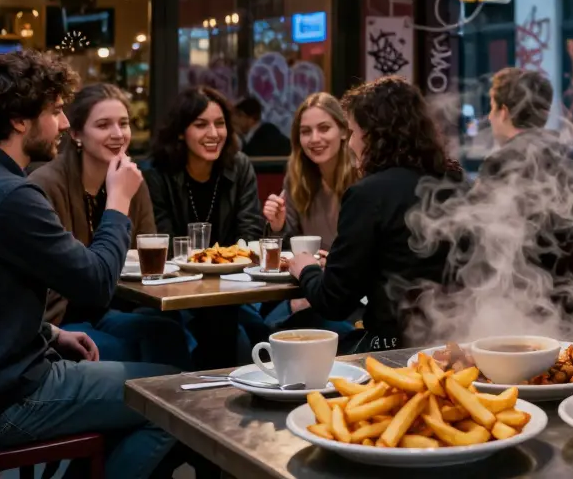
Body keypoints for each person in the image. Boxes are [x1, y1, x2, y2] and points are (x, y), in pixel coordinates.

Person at [0, 51, 174, 479]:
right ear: (18, 120)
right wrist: (118, 202)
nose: (65, 124)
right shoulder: (11, 195)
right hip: (0, 403)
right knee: (172, 396)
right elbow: (98, 284)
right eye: (55, 111)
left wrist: (49, 332)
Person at [287, 77, 461, 352]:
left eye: (353, 133)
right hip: (461, 343)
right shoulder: (458, 184)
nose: (351, 144)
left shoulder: (368, 194)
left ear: (373, 135)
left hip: (393, 348)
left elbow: (334, 302)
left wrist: (306, 268)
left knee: (285, 335)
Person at [28, 83, 192, 369]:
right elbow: (52, 280)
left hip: (109, 307)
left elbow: (147, 256)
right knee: (123, 349)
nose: (118, 134)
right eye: (104, 125)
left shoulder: (130, 179)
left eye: (124, 124)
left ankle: (175, 411)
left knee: (169, 334)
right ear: (77, 134)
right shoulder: (46, 184)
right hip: (57, 322)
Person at [146, 85, 266, 367]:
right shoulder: (157, 173)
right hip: (176, 289)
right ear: (180, 131)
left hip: (231, 286)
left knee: (246, 327)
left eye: (220, 123)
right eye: (201, 125)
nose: (213, 134)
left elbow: (248, 234)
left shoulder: (239, 166)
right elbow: (161, 241)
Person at [480, 67, 573, 271]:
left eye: (492, 108)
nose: (489, 117)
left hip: (527, 293)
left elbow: (480, 235)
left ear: (504, 112)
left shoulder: (499, 163)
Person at [260, 93, 359, 338]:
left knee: (282, 327)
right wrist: (277, 226)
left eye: (324, 128)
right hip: (306, 286)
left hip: (351, 296)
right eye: (306, 132)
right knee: (258, 326)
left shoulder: (362, 178)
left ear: (344, 131)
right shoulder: (297, 178)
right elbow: (284, 255)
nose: (314, 139)